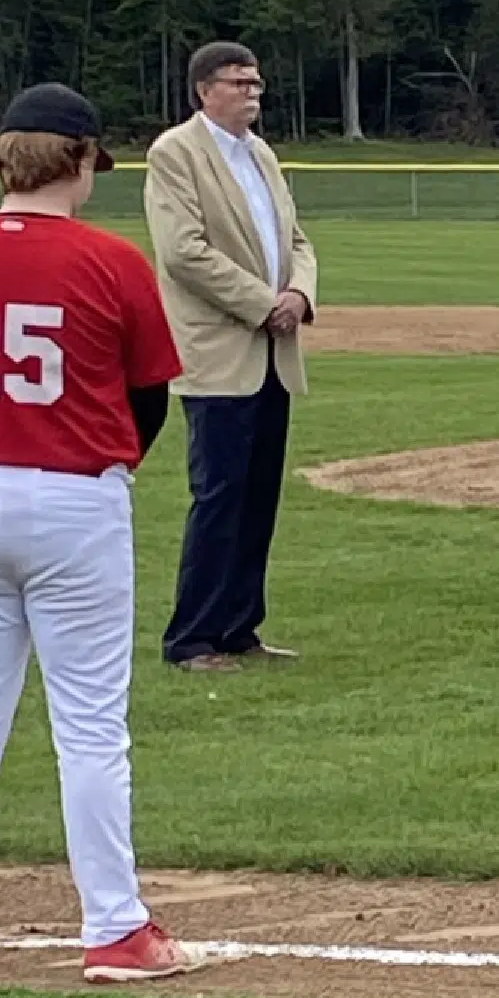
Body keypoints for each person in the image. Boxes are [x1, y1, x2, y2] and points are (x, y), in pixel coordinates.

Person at [0, 83, 199, 983]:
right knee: (89, 728)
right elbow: (149, 393)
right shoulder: (109, 259)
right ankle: (114, 926)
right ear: (75, 160)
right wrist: (113, 461)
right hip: (72, 496)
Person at [145, 40, 317, 672]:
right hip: (220, 353)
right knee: (218, 495)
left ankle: (241, 627)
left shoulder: (262, 155)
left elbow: (296, 238)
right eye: (239, 83)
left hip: (275, 352)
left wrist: (299, 292)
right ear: (204, 89)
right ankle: (191, 637)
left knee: (257, 495)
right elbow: (183, 251)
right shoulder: (175, 154)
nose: (252, 93)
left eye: (256, 83)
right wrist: (261, 302)